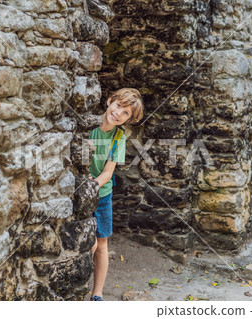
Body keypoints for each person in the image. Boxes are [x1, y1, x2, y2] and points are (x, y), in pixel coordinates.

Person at [87, 88, 144, 301]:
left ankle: (97, 293)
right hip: (83, 189)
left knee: (101, 243)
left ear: (129, 119)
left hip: (102, 194)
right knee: (89, 242)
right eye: (119, 106)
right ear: (110, 101)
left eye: (126, 113)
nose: (119, 113)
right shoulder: (89, 126)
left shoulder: (118, 138)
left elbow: (108, 172)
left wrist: (94, 185)